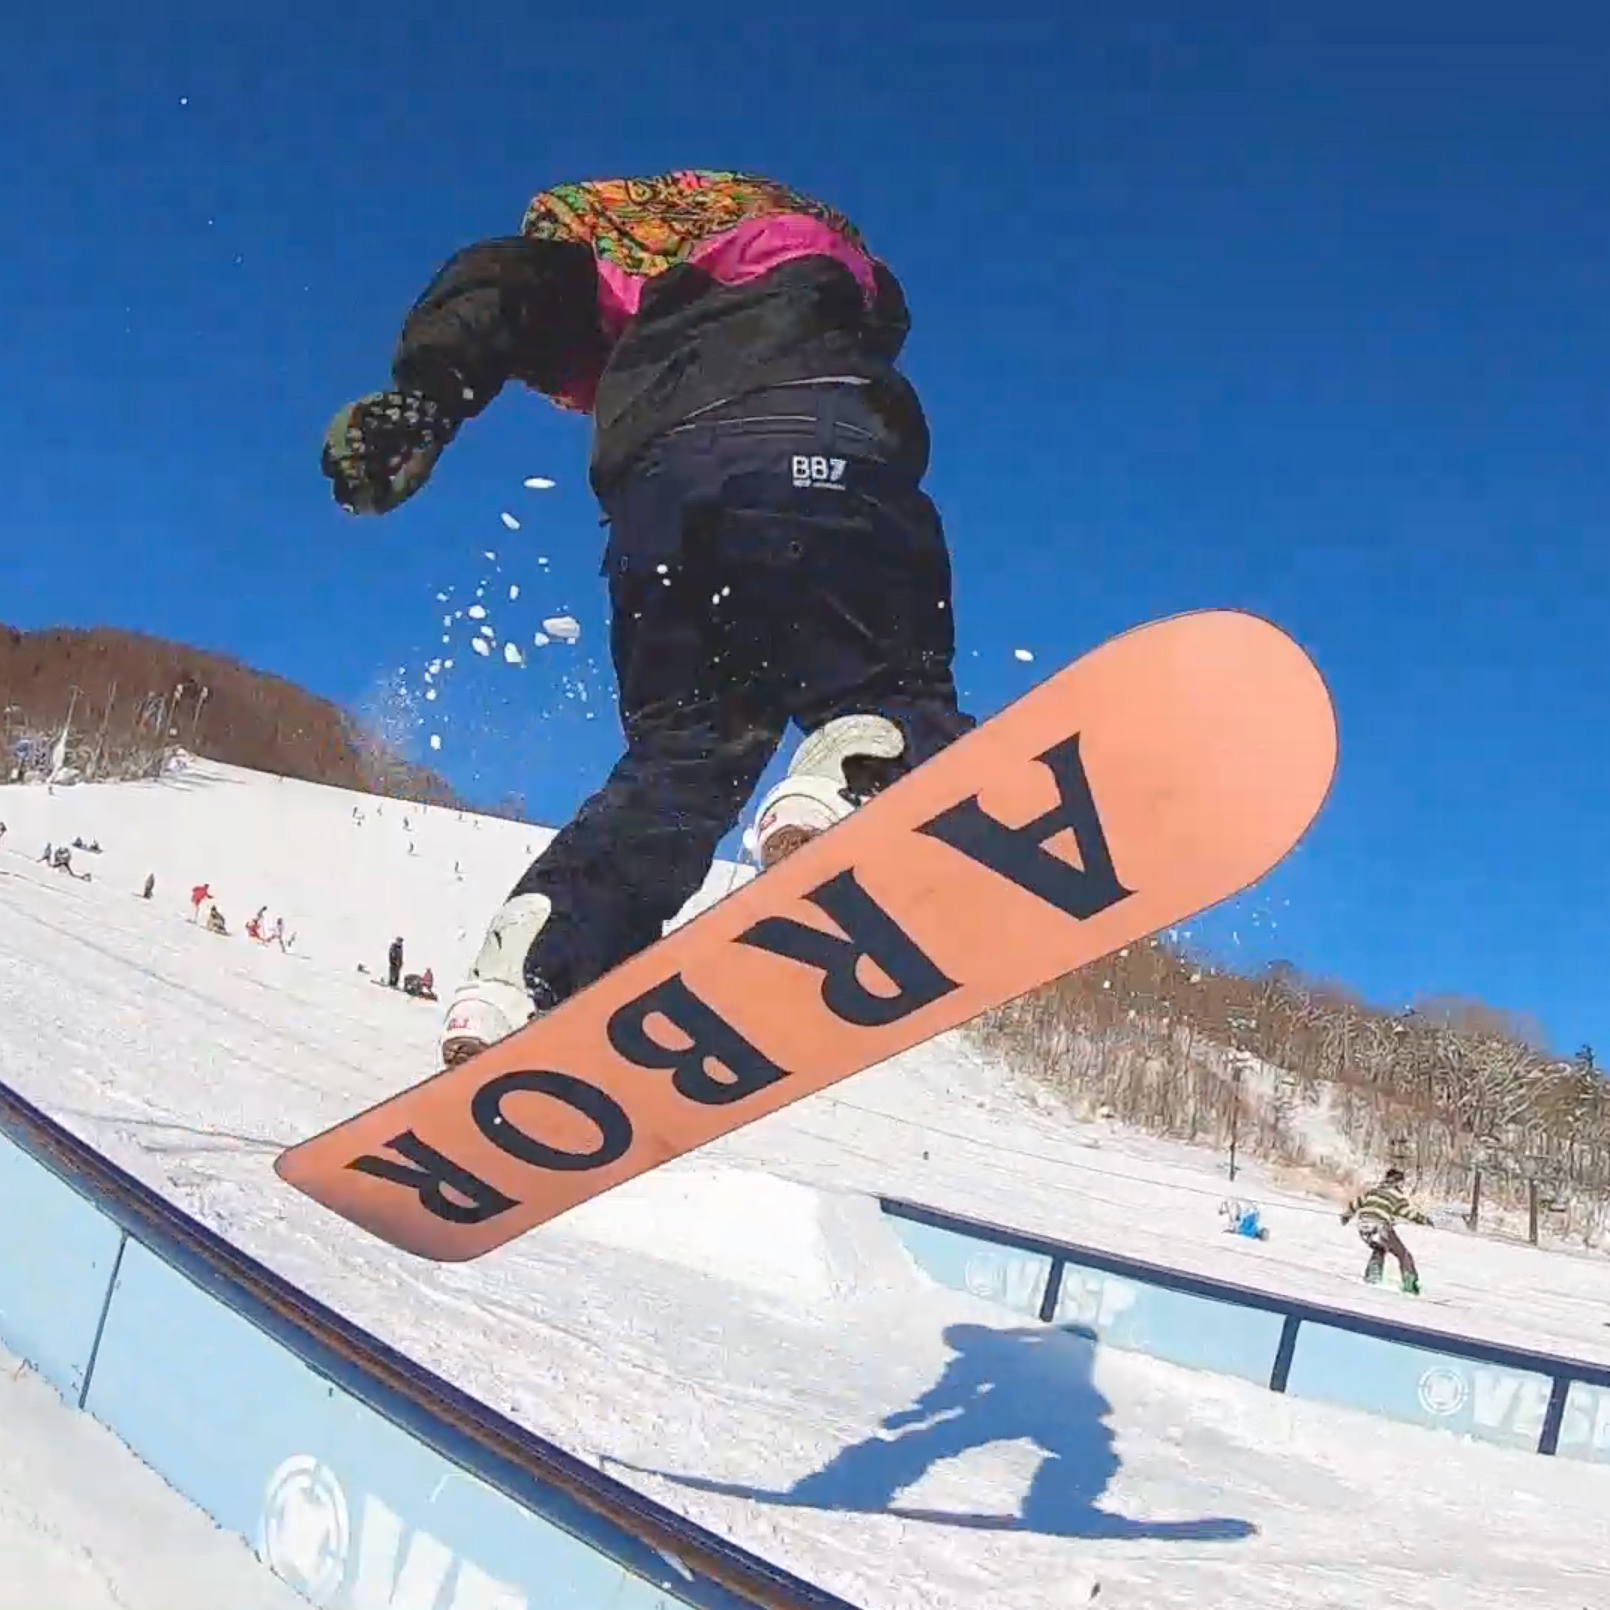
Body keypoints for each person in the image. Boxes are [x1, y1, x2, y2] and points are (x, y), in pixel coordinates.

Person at [321, 168, 973, 1067]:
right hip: (803, 443)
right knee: (879, 665)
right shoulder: (802, 259)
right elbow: (875, 309)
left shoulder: (619, 270)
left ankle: (536, 962)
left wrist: (430, 391)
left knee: (685, 756)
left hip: (656, 510)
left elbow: (503, 282)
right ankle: (873, 757)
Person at [1340, 1166, 1432, 1292]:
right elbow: (1408, 1213)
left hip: (1363, 1226)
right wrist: (1424, 1220)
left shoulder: (1374, 1191)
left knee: (1380, 1248)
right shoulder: (1397, 1196)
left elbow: (1355, 1204)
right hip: (1380, 1226)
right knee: (1403, 1254)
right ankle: (1410, 1283)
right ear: (1398, 1182)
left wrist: (1346, 1216)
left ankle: (1373, 1276)